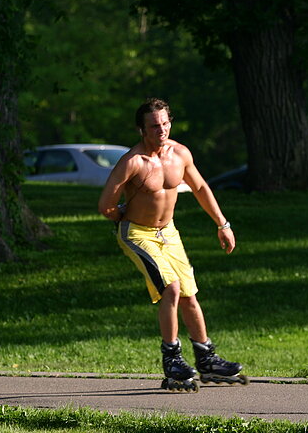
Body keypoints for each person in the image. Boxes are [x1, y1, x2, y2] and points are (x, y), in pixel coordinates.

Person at [98, 98, 246, 391]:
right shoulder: (133, 162)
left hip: (169, 232)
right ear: (141, 129)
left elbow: (200, 187)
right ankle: (173, 360)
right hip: (138, 233)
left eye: (165, 123)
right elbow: (105, 205)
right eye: (154, 126)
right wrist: (121, 215)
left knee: (189, 294)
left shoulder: (180, 154)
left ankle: (206, 359)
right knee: (171, 288)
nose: (161, 130)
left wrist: (223, 224)